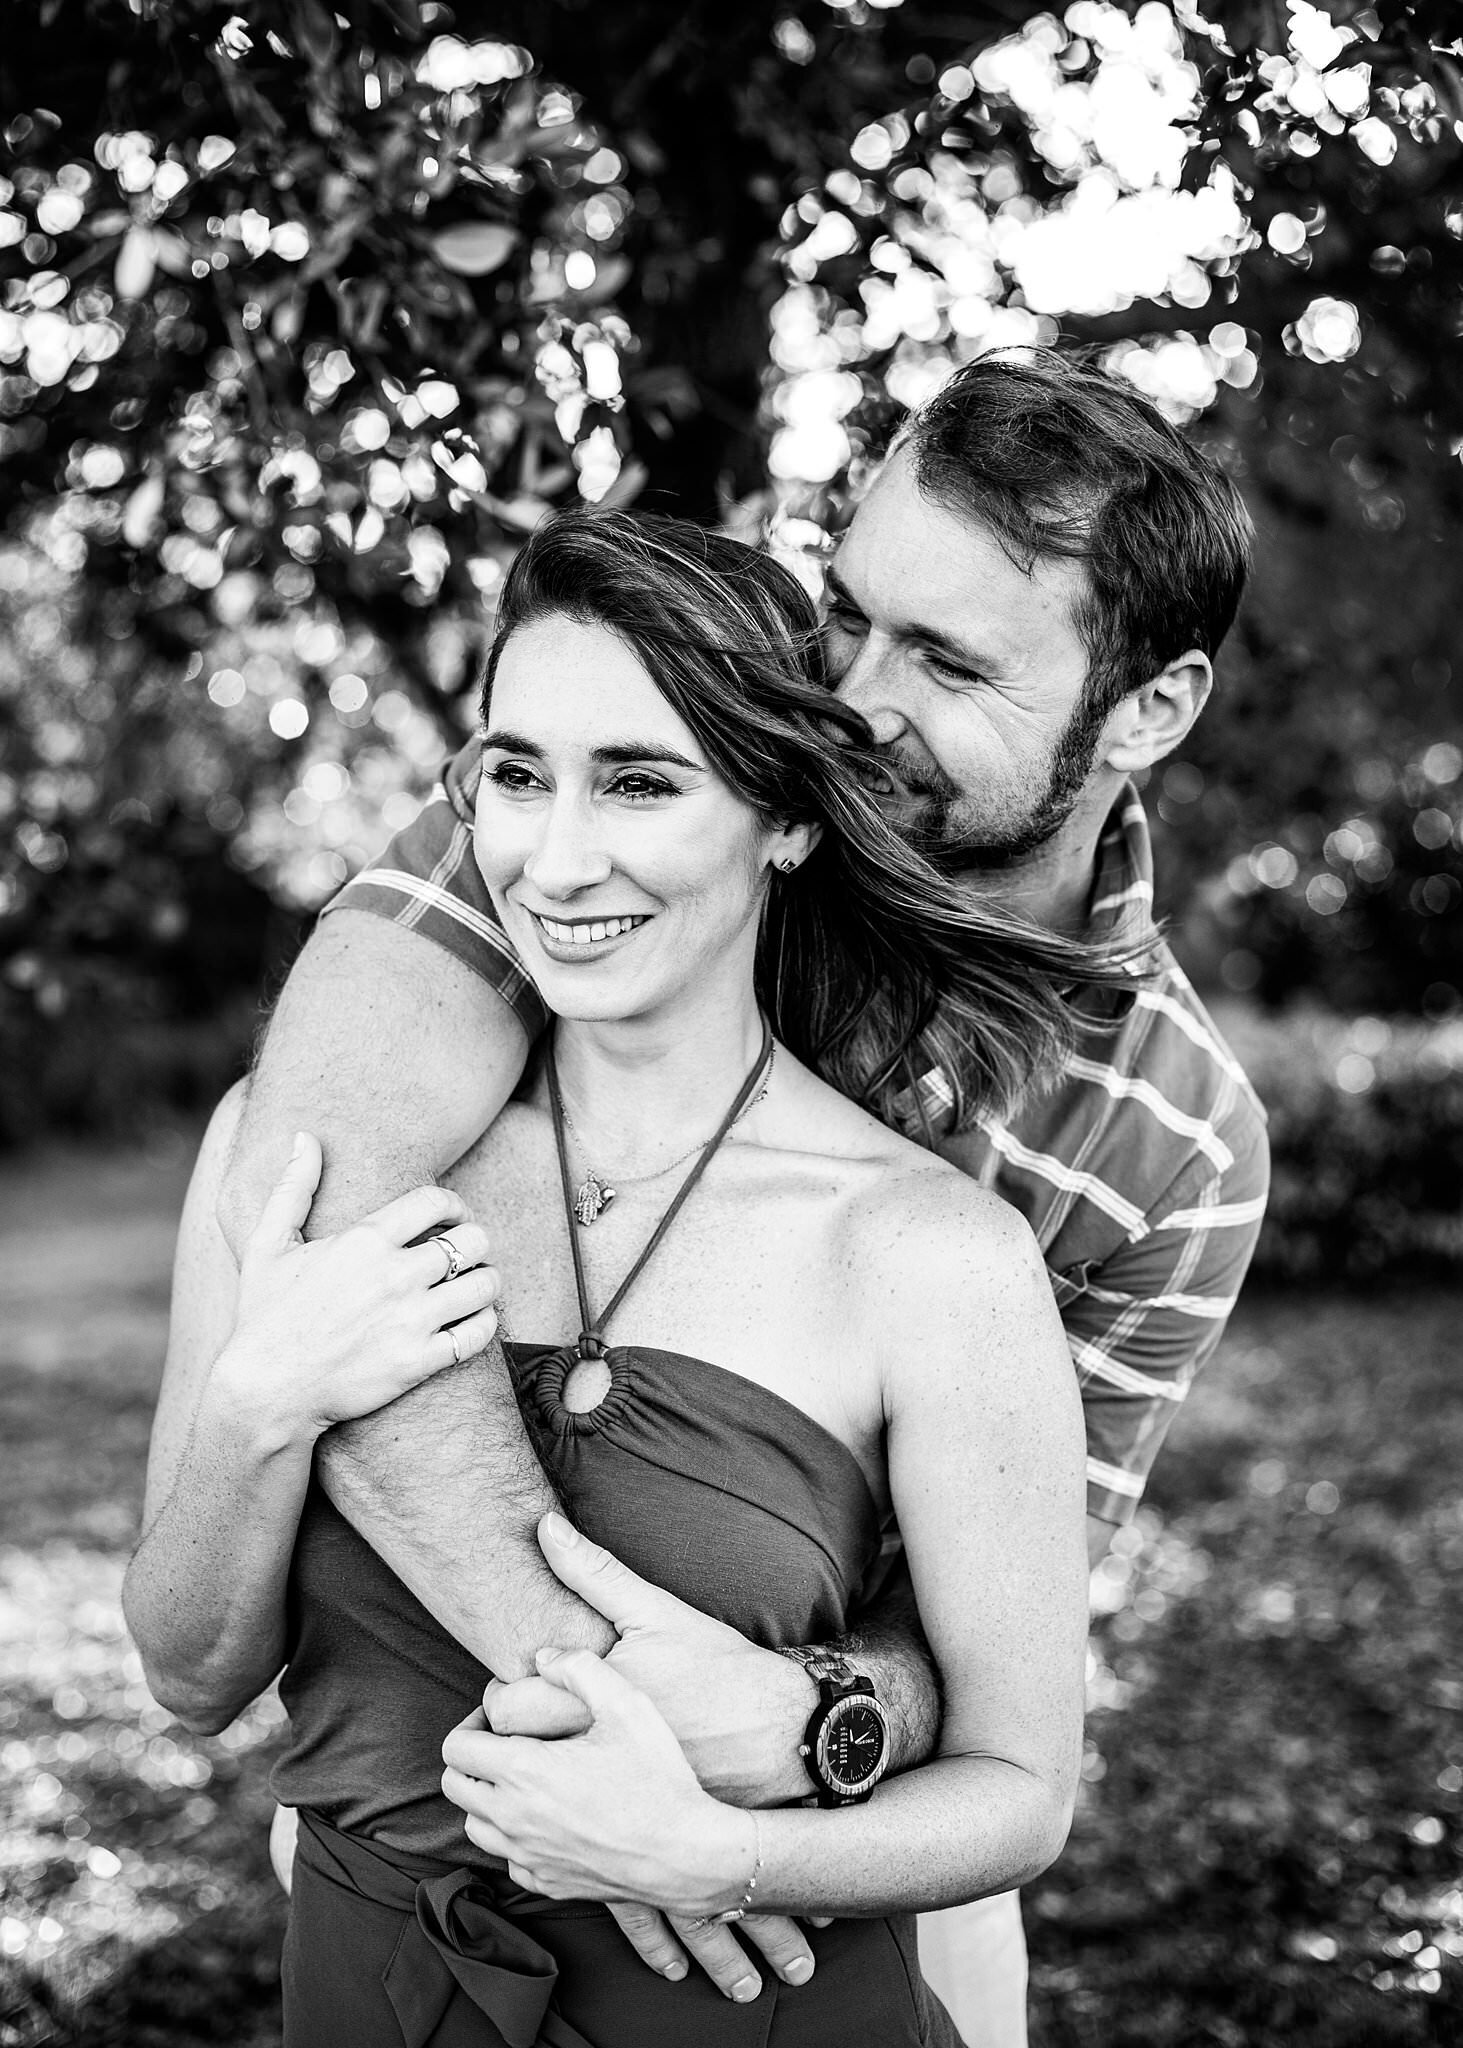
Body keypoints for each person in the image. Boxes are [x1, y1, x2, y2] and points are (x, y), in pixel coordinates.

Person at [218, 349, 1270, 2045]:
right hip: (449, 1787)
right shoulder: (625, 799)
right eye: (850, 609)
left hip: (842, 1880)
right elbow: (319, 1193)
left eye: (945, 660)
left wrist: (788, 1744)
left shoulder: (1176, 1147)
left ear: (1148, 708)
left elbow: (987, 1652)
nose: (848, 697)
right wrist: (603, 1721)